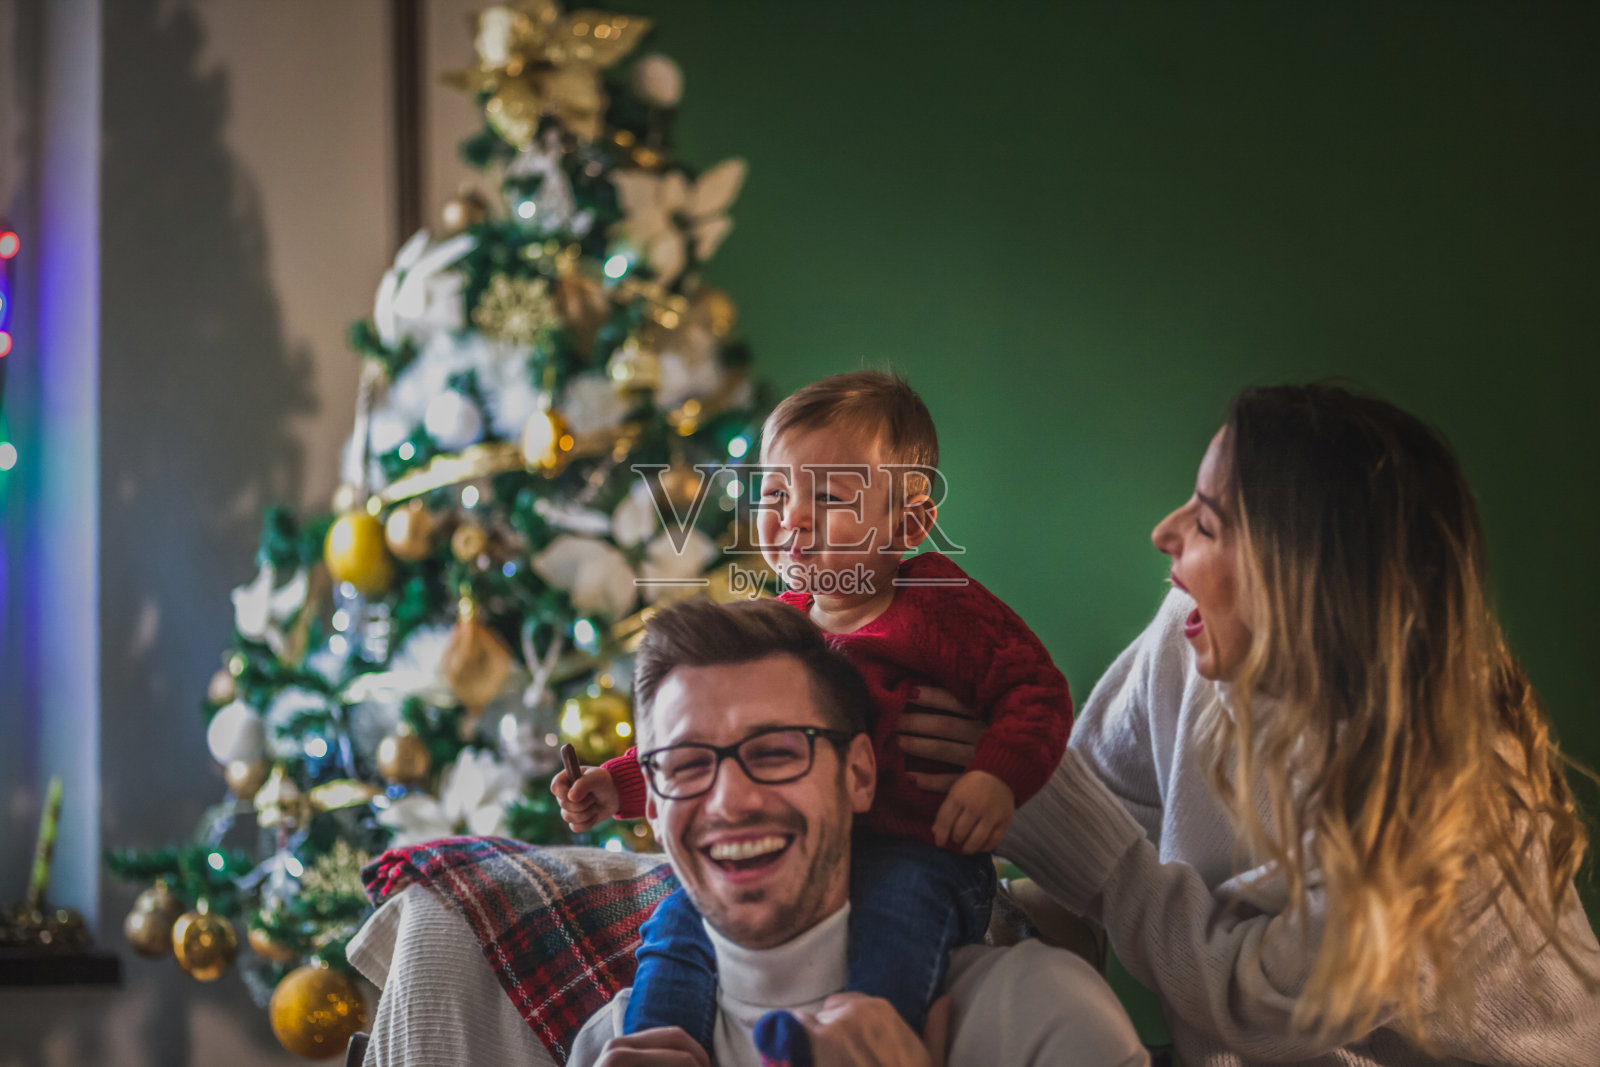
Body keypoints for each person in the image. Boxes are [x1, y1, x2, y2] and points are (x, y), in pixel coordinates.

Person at [951, 381, 1600, 1065]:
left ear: (1299, 576)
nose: (1164, 534)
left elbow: (1256, 1006)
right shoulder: (1191, 638)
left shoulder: (1443, 798)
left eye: (1206, 524)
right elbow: (1084, 855)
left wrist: (1039, 781)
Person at [555, 371, 1075, 1053]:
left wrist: (996, 774)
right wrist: (618, 782)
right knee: (680, 917)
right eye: (774, 494)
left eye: (827, 497)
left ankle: (855, 1037)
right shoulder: (778, 623)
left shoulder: (943, 606)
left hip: (922, 855)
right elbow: (705, 735)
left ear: (910, 521)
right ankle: (661, 1040)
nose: (791, 518)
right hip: (792, 860)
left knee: (898, 915)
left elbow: (1036, 690)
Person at [568, 596, 1147, 1067]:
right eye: (688, 764)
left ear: (860, 775)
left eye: (775, 752)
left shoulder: (1041, 1018)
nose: (730, 800)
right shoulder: (607, 1049)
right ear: (652, 806)